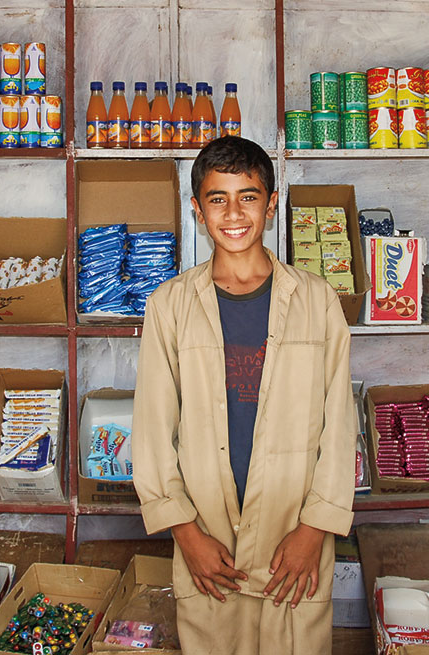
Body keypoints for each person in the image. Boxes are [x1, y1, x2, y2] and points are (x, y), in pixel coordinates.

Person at [133, 135, 357, 655]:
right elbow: (151, 432)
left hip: (293, 545)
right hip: (209, 546)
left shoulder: (317, 301)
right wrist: (186, 534)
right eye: (217, 199)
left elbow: (339, 428)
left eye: (248, 196)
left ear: (271, 203)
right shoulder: (169, 306)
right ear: (197, 209)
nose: (234, 213)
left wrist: (312, 532)